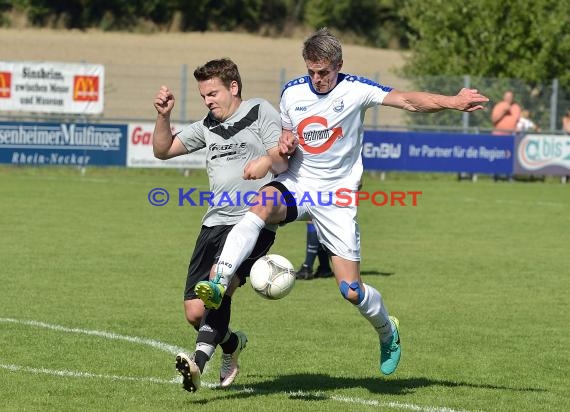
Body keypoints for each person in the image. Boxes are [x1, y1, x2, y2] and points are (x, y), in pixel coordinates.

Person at [194, 28, 489, 377]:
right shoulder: (292, 92)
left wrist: (453, 102)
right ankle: (220, 279)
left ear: (339, 65)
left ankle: (387, 330)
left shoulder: (356, 89)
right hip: (299, 183)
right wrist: (283, 147)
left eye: (324, 72)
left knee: (350, 290)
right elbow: (288, 137)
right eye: (311, 71)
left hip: (336, 196)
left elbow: (408, 100)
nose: (317, 79)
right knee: (261, 202)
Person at [152, 58, 287, 392]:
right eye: (203, 96)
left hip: (252, 221)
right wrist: (163, 116)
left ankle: (197, 365)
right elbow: (163, 150)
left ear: (233, 88)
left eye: (213, 93)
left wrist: (265, 162)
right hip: (212, 223)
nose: (208, 100)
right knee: (195, 312)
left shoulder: (259, 111)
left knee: (218, 282)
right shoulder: (207, 125)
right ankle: (231, 344)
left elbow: (282, 159)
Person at [491, 90, 520, 181]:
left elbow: (518, 120)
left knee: (510, 157)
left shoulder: (516, 107)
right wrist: (504, 112)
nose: (509, 99)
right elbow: (494, 120)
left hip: (511, 136)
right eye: (507, 97)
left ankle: (509, 176)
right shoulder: (499, 106)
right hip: (498, 134)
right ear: (504, 97)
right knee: (498, 156)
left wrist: (518, 128)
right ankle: (496, 176)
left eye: (510, 97)